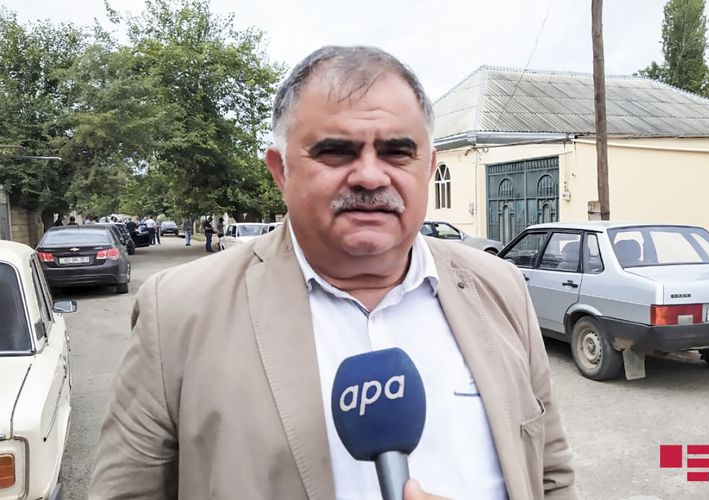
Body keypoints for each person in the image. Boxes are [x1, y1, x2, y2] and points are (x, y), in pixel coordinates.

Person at [90, 46, 575, 500]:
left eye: (396, 152)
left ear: (428, 168)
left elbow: (551, 475)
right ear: (281, 172)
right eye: (336, 152)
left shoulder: (501, 287)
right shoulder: (178, 311)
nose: (370, 175)